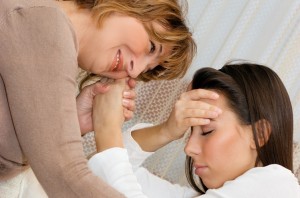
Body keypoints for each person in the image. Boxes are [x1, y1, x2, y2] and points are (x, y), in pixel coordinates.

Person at [0, 0, 196, 197]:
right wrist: (107, 128)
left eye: (146, 69)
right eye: (152, 47)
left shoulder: (48, 28)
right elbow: (66, 175)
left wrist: (73, 122)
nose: (135, 71)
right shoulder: (48, 24)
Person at [89, 62, 300, 197]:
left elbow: (112, 171)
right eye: (191, 132)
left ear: (260, 134)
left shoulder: (277, 186)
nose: (189, 148)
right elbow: (100, 178)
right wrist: (167, 130)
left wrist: (107, 128)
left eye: (207, 131)